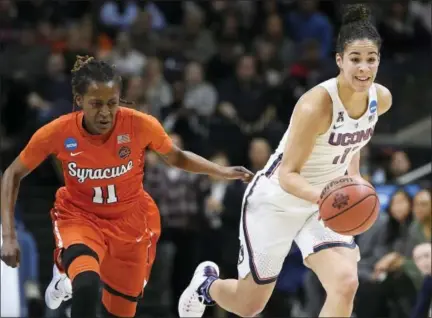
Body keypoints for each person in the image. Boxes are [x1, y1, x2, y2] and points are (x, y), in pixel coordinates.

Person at [178, 5, 392, 318]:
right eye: (355, 59)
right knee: (249, 305)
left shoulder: (380, 99)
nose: (363, 67)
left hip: (329, 201)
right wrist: (331, 198)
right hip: (279, 198)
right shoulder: (315, 105)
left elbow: (354, 140)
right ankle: (206, 286)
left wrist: (354, 180)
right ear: (339, 60)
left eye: (370, 59)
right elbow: (289, 175)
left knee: (345, 284)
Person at [0, 55, 254, 318]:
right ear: (79, 100)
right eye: (96, 104)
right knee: (86, 285)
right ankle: (65, 270)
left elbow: (177, 156)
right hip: (81, 217)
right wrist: (8, 236)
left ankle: (64, 272)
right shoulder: (57, 132)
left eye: (112, 103)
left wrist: (220, 171)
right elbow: (12, 174)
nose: (105, 112)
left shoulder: (139, 124)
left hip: (131, 223)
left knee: (120, 312)